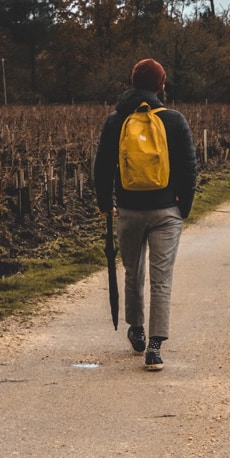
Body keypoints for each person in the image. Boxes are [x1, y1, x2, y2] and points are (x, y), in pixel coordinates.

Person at [94, 58, 198, 371]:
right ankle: (155, 347)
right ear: (160, 85)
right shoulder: (174, 120)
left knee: (133, 271)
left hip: (128, 208)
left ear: (133, 82)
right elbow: (188, 169)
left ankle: (137, 331)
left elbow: (102, 166)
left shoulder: (116, 120)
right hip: (166, 210)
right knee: (161, 278)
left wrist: (104, 204)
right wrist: (183, 207)